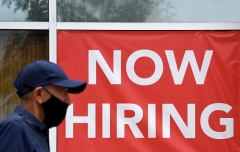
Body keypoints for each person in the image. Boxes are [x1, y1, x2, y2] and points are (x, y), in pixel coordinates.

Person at [0, 60, 87, 152]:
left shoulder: (35, 131)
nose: (69, 101)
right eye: (63, 91)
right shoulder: (15, 128)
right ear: (39, 94)